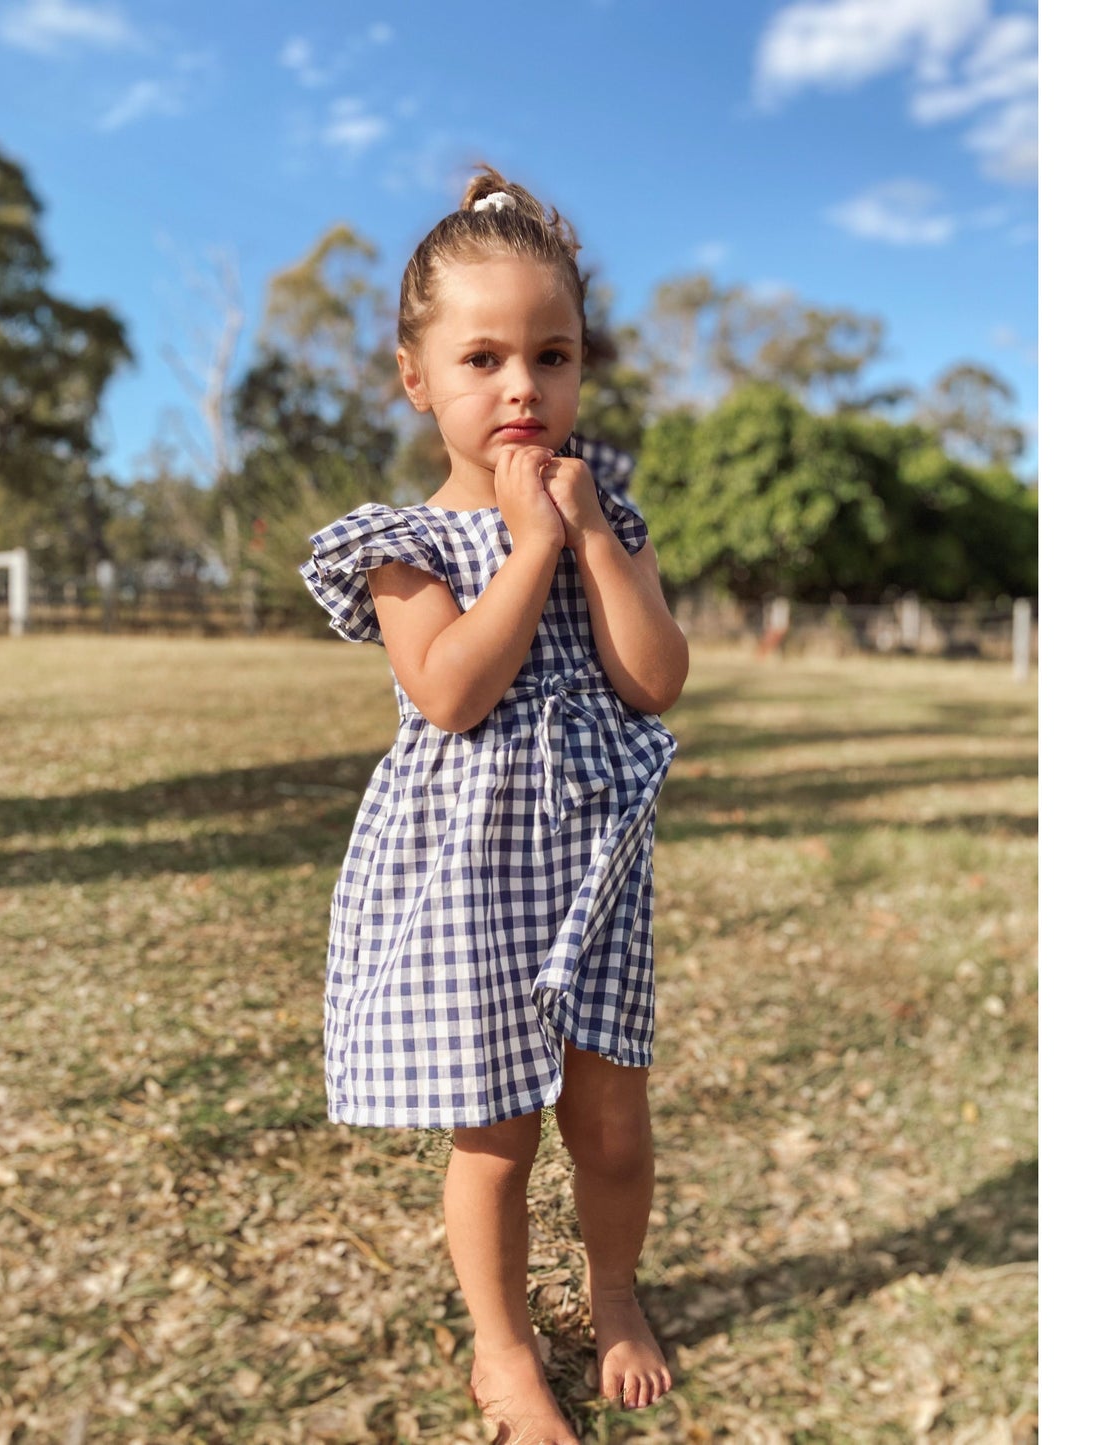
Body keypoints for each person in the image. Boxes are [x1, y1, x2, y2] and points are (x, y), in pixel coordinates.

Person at [300, 165, 689, 1443]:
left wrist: (584, 540)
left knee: (613, 1122)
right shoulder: (404, 545)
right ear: (418, 380)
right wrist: (526, 547)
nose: (522, 386)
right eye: (482, 357)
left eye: (551, 354)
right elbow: (452, 691)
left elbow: (654, 678)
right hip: (467, 882)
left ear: (581, 368)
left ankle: (614, 1291)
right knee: (497, 1137)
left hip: (589, 868)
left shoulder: (601, 510)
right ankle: (502, 1347)